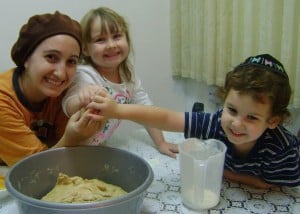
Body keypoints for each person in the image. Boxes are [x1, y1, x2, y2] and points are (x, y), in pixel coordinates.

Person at [88, 54, 300, 189]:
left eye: (252, 117)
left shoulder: (282, 150)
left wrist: (222, 172)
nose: (236, 123)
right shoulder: (216, 123)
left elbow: (268, 184)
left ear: (273, 121)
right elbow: (167, 118)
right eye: (232, 110)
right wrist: (117, 110)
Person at [62, 7, 178, 158]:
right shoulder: (85, 74)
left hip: (98, 148)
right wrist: (80, 99)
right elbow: (67, 106)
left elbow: (146, 109)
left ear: (127, 39)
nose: (111, 45)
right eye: (100, 40)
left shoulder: (128, 75)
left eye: (116, 36)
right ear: (85, 49)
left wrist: (161, 143)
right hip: (73, 152)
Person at [0, 11, 104, 167]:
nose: (61, 73)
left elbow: (72, 156)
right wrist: (71, 139)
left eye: (71, 61)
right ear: (26, 58)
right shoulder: (3, 101)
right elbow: (32, 170)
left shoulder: (64, 92)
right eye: (51, 57)